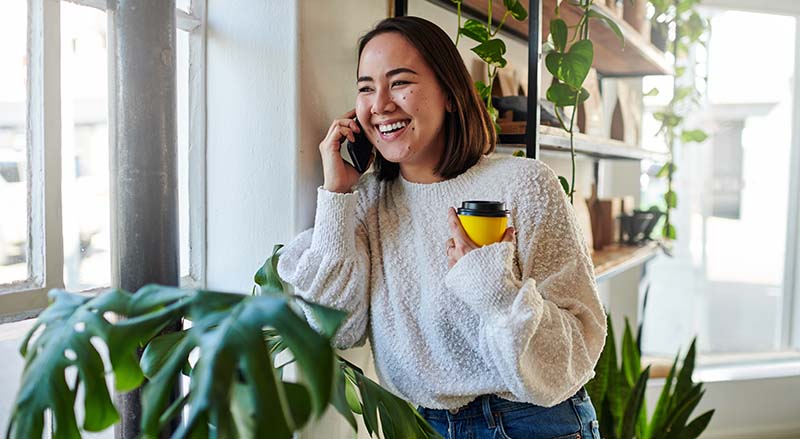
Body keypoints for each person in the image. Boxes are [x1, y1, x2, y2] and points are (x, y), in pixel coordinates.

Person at [277, 16, 606, 439]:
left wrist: (494, 289)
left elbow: (576, 350)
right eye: (366, 88)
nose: (380, 104)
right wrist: (337, 195)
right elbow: (334, 327)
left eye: (400, 82)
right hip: (422, 425)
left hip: (533, 423)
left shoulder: (525, 184)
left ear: (450, 94)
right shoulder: (367, 202)